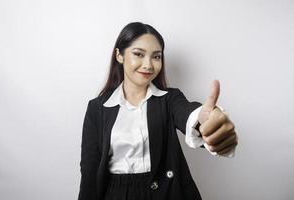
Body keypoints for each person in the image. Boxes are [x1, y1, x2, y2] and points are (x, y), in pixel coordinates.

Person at [78, 22, 238, 200]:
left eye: (156, 57)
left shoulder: (170, 99)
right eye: (138, 54)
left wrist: (207, 123)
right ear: (119, 55)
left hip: (166, 193)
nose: (148, 65)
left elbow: (189, 114)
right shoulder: (97, 108)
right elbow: (90, 172)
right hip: (115, 194)